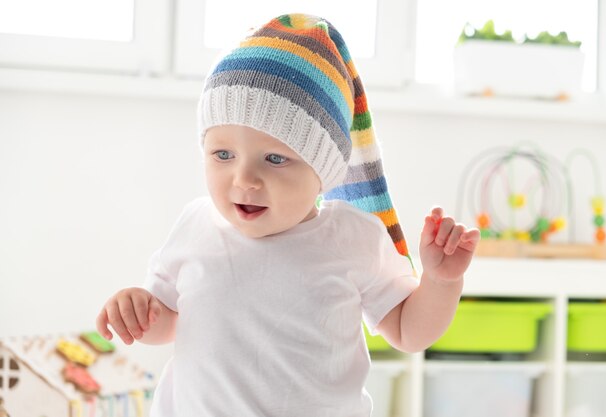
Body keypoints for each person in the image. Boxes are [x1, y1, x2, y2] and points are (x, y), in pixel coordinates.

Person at [96, 13, 480, 417]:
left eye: (275, 159)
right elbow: (168, 323)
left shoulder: (352, 238)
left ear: (324, 171)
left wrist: (439, 281)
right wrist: (139, 311)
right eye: (223, 154)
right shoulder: (196, 226)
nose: (244, 179)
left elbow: (407, 331)